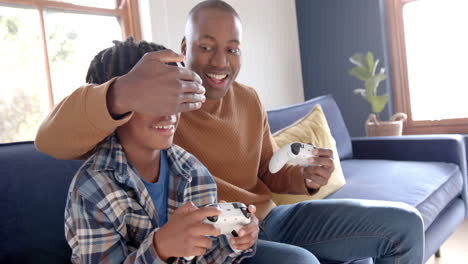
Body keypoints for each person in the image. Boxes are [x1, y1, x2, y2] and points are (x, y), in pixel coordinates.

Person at [38, 1, 424, 263]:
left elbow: (266, 172)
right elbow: (53, 139)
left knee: (404, 224)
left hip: (262, 222)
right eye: (206, 47)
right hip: (211, 238)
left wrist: (304, 177)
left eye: (232, 49)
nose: (220, 61)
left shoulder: (247, 101)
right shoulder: (160, 103)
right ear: (185, 47)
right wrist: (125, 92)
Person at [64, 38, 258, 263]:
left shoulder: (194, 172)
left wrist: (233, 241)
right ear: (117, 105)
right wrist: (160, 249)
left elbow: (205, 258)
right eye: (153, 101)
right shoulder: (92, 189)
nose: (169, 113)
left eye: (174, 98)